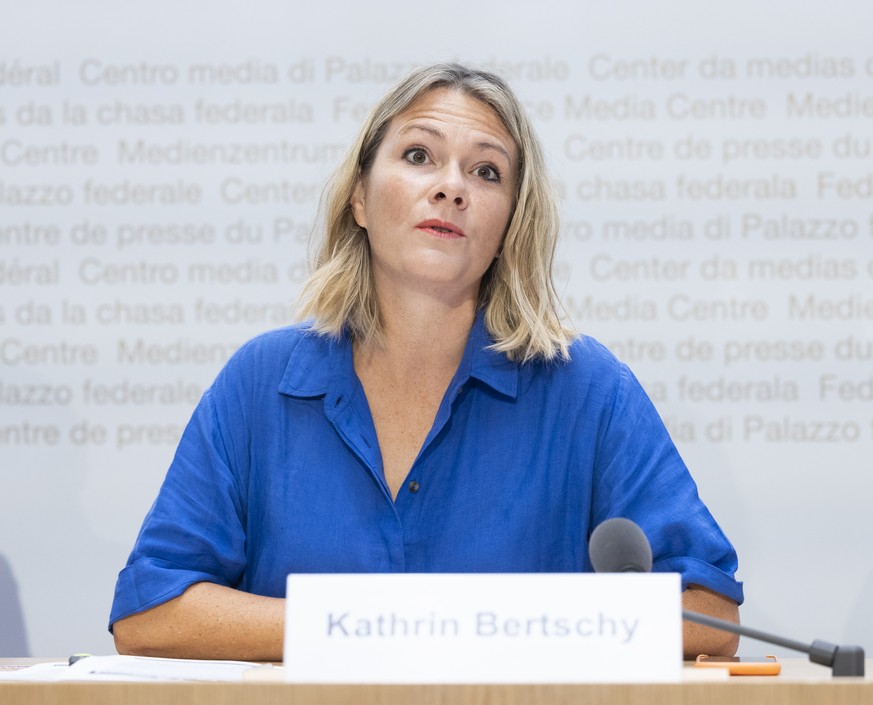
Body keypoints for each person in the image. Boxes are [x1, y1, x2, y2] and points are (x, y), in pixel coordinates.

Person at [110, 62, 743, 661]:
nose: (451, 187)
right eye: (419, 156)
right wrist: (372, 628)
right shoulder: (261, 383)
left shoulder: (586, 389)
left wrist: (474, 630)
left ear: (508, 228)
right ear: (359, 197)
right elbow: (151, 613)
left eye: (487, 172)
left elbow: (707, 613)